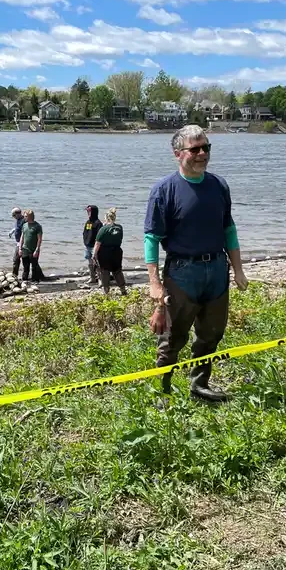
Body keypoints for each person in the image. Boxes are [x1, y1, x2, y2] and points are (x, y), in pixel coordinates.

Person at [144, 124, 248, 403]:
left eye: (206, 148)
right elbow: (151, 238)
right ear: (178, 153)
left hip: (216, 270)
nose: (202, 153)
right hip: (182, 273)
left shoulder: (219, 185)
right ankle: (161, 393)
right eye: (195, 149)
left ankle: (199, 386)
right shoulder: (164, 190)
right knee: (171, 338)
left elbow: (229, 229)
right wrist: (154, 284)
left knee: (211, 334)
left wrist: (238, 269)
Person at [93, 208, 126, 295]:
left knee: (105, 272)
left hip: (105, 253)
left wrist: (94, 255)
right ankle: (123, 289)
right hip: (117, 251)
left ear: (106, 218)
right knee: (117, 271)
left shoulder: (103, 229)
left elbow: (97, 244)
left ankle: (106, 290)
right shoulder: (120, 227)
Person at [18, 209, 45, 282]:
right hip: (25, 249)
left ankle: (35, 281)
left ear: (30, 217)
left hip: (33, 249)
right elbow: (22, 237)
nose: (24, 217)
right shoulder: (24, 225)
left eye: (26, 216)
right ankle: (24, 280)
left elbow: (39, 239)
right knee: (25, 267)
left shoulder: (37, 226)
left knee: (34, 267)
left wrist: (37, 250)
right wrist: (20, 248)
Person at [83, 205, 102, 284]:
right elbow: (85, 232)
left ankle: (101, 279)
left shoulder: (98, 223)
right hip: (87, 245)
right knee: (90, 262)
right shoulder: (88, 222)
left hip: (94, 246)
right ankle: (92, 277)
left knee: (97, 263)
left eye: (89, 211)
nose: (88, 213)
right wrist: (85, 240)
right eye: (87, 211)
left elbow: (99, 236)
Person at [9, 207, 25, 277]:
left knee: (16, 260)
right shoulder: (18, 219)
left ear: (18, 214)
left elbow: (25, 231)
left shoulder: (24, 220)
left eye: (14, 215)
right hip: (18, 243)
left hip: (22, 243)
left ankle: (14, 275)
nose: (13, 217)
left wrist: (21, 244)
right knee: (17, 260)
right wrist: (12, 231)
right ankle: (15, 275)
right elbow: (17, 227)